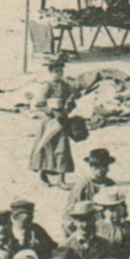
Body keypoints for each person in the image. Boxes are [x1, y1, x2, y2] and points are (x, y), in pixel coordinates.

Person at [29, 57, 76, 187]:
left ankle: (61, 180)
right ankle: (43, 176)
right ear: (50, 73)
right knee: (46, 148)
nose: (59, 74)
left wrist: (68, 108)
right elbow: (39, 104)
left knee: (63, 149)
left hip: (62, 120)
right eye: (56, 71)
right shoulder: (47, 86)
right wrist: (51, 110)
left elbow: (72, 102)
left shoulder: (66, 86)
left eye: (61, 71)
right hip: (49, 122)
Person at [65, 148, 117, 216]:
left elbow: (123, 210)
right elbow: (69, 212)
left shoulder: (110, 183)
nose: (108, 169)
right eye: (105, 166)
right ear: (94, 167)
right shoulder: (83, 185)